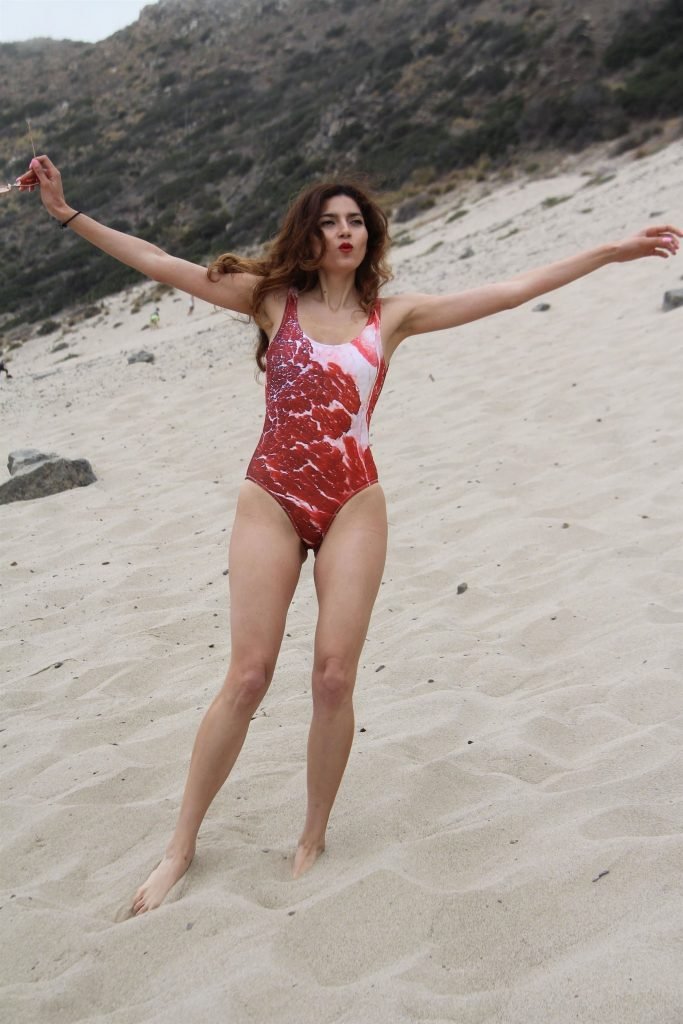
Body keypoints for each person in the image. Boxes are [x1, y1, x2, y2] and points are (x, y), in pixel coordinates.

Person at [17, 155, 680, 915]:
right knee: (248, 676)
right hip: (271, 498)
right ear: (308, 234)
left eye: (356, 222)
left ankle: (312, 835)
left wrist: (610, 250)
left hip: (353, 502)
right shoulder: (271, 301)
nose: (344, 232)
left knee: (333, 677)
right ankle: (180, 847)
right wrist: (67, 214)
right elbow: (159, 262)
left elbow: (509, 290)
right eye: (330, 221)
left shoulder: (392, 317)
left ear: (370, 236)